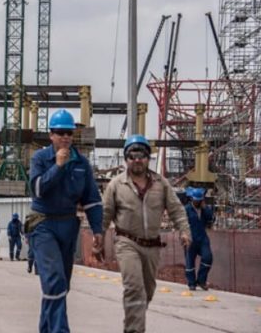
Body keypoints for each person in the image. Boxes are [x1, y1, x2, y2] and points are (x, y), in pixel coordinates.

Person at [102, 134, 191, 333]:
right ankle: (135, 330)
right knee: (134, 287)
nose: (137, 160)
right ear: (126, 159)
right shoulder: (116, 185)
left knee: (147, 291)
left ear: (148, 157)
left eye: (141, 155)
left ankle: (132, 325)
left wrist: (184, 231)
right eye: (132, 155)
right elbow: (105, 214)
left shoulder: (161, 184)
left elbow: (176, 209)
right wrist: (98, 240)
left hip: (152, 245)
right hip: (126, 242)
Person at [27, 109, 104, 332]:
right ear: (51, 135)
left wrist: (98, 230)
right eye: (60, 133)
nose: (65, 137)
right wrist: (58, 166)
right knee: (54, 281)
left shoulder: (81, 163)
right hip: (43, 224)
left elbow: (92, 199)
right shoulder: (40, 159)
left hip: (68, 226)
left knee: (61, 287)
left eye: (69, 133)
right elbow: (38, 189)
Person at [184, 187, 214, 291]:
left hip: (202, 238)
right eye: (196, 200)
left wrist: (205, 208)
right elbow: (182, 223)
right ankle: (191, 283)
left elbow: (211, 219)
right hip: (190, 238)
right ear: (192, 199)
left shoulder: (205, 209)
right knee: (190, 262)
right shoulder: (186, 209)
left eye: (199, 200)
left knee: (208, 257)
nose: (197, 202)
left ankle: (201, 280)